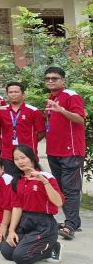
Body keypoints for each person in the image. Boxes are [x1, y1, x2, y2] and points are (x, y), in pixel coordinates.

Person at [0, 144, 64, 264]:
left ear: (32, 158)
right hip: (26, 222)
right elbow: (17, 207)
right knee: (7, 252)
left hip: (44, 223)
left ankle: (53, 247)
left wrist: (44, 182)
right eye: (16, 159)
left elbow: (59, 202)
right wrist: (12, 230)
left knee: (20, 257)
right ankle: (34, 243)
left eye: (23, 157)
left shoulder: (46, 177)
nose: (20, 162)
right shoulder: (17, 181)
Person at [42, 66, 86, 241]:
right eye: (48, 79)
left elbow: (80, 119)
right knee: (61, 188)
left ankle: (70, 225)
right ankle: (74, 221)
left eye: (54, 78)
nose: (50, 81)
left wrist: (61, 110)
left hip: (71, 151)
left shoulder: (70, 95)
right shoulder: (52, 98)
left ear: (63, 80)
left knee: (70, 189)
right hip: (54, 151)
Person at [0, 82, 45, 179]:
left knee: (30, 182)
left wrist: (32, 141)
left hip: (27, 155)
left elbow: (42, 132)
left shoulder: (33, 111)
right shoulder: (1, 110)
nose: (13, 94)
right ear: (7, 94)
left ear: (23, 94)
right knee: (10, 183)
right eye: (10, 92)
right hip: (7, 155)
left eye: (16, 92)